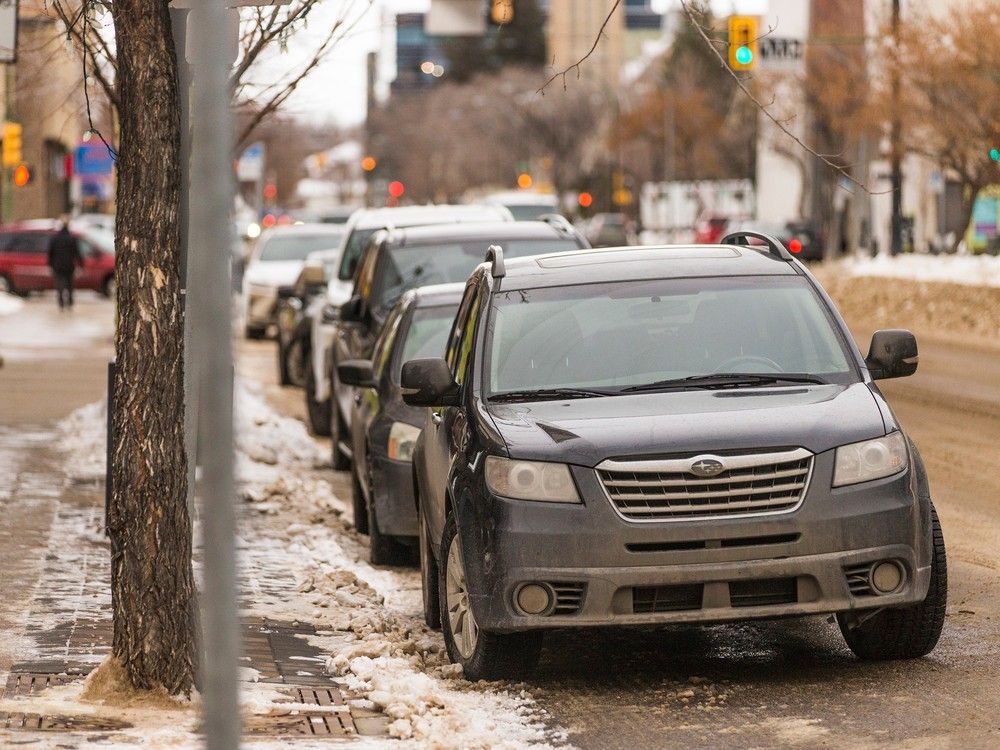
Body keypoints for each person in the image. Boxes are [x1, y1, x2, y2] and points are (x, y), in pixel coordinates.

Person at [47, 219, 83, 310]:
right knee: (69, 284)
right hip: (69, 265)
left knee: (59, 284)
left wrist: (50, 264)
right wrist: (81, 264)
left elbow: (50, 253)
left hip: (57, 265)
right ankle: (70, 302)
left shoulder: (55, 238)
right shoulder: (71, 238)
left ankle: (61, 303)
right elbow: (77, 252)